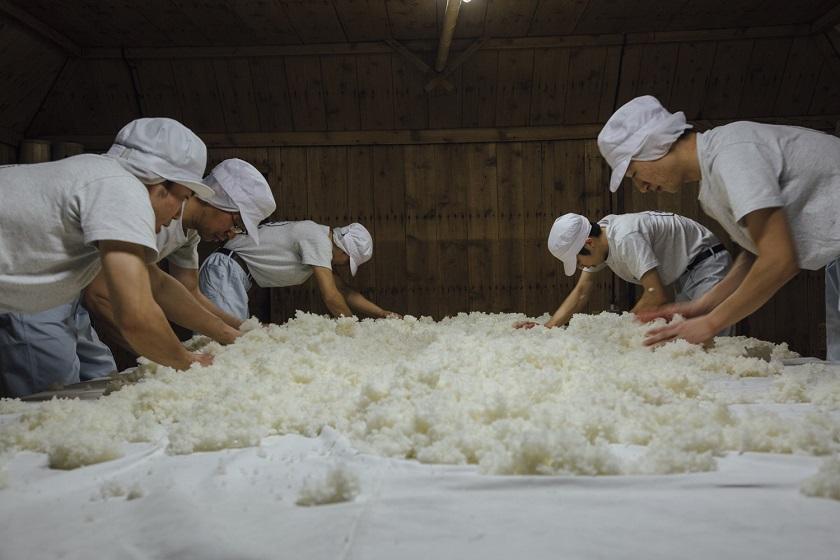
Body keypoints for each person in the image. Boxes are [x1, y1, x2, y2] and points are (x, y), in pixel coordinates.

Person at [597, 95, 840, 355]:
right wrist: (702, 305)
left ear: (654, 145)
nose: (642, 187)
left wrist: (712, 322)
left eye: (635, 174)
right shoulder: (713, 182)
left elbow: (779, 260)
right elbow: (757, 252)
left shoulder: (732, 155)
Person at [0, 117, 215, 397]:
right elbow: (136, 315)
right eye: (183, 197)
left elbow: (157, 283)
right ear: (159, 183)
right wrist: (191, 364)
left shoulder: (98, 176)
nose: (177, 215)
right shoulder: (123, 188)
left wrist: (225, 334)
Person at [83, 158, 276, 357]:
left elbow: (187, 289)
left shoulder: (190, 234)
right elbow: (100, 293)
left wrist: (242, 328)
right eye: (236, 222)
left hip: (79, 293)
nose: (232, 234)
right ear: (216, 199)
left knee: (96, 365)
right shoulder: (151, 214)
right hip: (61, 291)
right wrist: (167, 357)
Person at [515, 211, 732, 333]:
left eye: (579, 261)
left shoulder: (625, 238)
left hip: (706, 263)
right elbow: (581, 291)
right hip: (683, 275)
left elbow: (655, 294)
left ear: (589, 243)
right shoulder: (601, 239)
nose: (583, 267)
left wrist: (620, 330)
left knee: (714, 339)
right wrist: (548, 328)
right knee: (688, 340)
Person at [199, 221, 400, 321]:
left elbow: (344, 291)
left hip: (231, 271)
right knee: (223, 340)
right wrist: (353, 329)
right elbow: (331, 296)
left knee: (229, 335)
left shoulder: (318, 241)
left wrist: (381, 313)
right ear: (343, 249)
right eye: (347, 261)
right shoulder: (318, 240)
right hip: (226, 269)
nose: (344, 266)